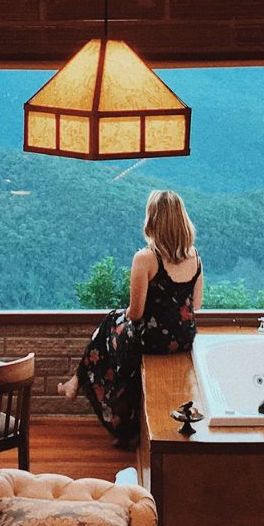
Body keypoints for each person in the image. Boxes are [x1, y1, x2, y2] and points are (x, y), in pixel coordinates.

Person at [62, 190, 204, 448]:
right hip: (184, 337)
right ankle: (77, 380)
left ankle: (83, 384)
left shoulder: (146, 258)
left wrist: (127, 315)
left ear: (152, 221)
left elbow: (136, 313)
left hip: (151, 340)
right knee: (113, 326)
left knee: (111, 324)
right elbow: (196, 304)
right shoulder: (194, 255)